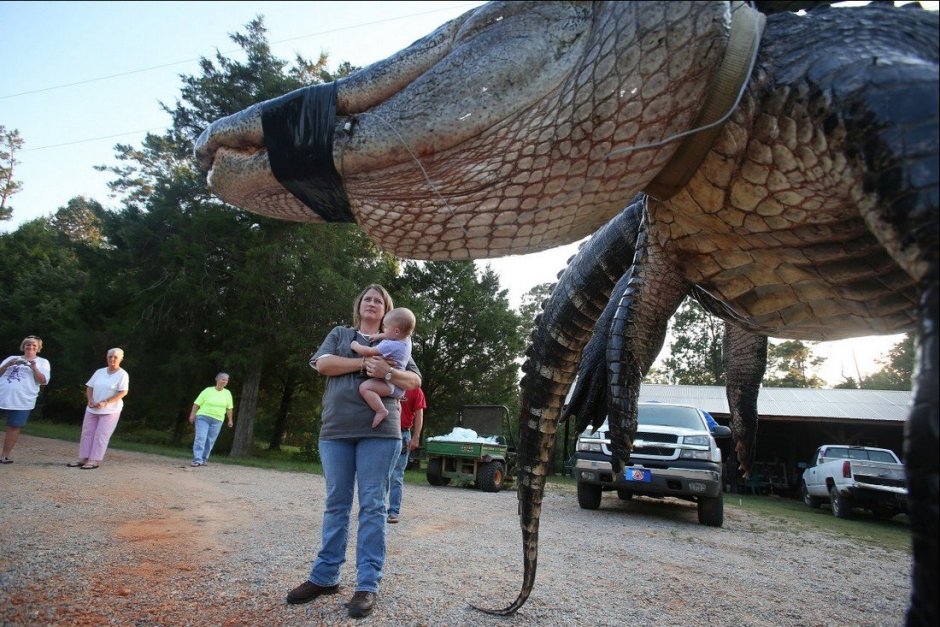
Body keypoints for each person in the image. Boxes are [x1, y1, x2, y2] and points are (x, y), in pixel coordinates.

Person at [286, 284, 421, 619]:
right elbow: (323, 365)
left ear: (389, 313)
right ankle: (325, 576)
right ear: (359, 306)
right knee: (336, 503)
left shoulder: (397, 342)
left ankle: (367, 585)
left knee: (373, 505)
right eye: (368, 299)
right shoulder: (341, 334)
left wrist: (388, 371)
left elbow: (413, 382)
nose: (372, 303)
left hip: (381, 433)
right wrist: (364, 365)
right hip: (336, 431)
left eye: (379, 300)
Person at [350, 307, 416, 428]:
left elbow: (368, 351)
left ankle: (381, 410)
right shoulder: (406, 339)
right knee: (397, 405)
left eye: (385, 327)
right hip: (398, 384)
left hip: (389, 384)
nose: (383, 329)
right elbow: (392, 334)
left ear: (396, 331)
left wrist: (355, 345)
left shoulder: (390, 345)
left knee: (364, 388)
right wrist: (380, 336)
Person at [66, 348, 129, 470]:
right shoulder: (99, 372)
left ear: (121, 358)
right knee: (87, 433)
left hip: (110, 410)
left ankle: (94, 460)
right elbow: (90, 386)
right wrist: (90, 399)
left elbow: (123, 392)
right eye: (110, 356)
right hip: (92, 408)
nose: (112, 359)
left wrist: (106, 402)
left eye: (115, 357)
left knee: (101, 435)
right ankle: (83, 458)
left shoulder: (122, 374)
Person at [0, 336, 51, 464]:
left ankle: (4, 456)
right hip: (2, 396)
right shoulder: (12, 358)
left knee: (14, 426)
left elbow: (43, 381)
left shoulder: (43, 362)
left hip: (23, 400)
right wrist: (7, 365)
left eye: (34, 345)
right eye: (28, 344)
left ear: (38, 348)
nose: (30, 347)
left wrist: (34, 367)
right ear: (23, 346)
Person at [386, 386, 425, 524]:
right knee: (379, 474)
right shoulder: (386, 381)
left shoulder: (415, 389)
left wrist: (416, 437)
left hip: (402, 434)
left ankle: (393, 512)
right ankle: (375, 509)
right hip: (383, 431)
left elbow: (419, 414)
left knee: (396, 476)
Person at [188, 372, 234, 467]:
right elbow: (196, 404)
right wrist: (192, 415)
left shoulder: (227, 393)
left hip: (218, 420)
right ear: (217, 380)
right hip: (203, 417)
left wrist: (230, 420)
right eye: (223, 379)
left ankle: (204, 459)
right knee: (201, 437)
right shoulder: (207, 391)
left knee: (210, 440)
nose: (225, 381)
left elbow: (229, 408)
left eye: (227, 380)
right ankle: (197, 459)